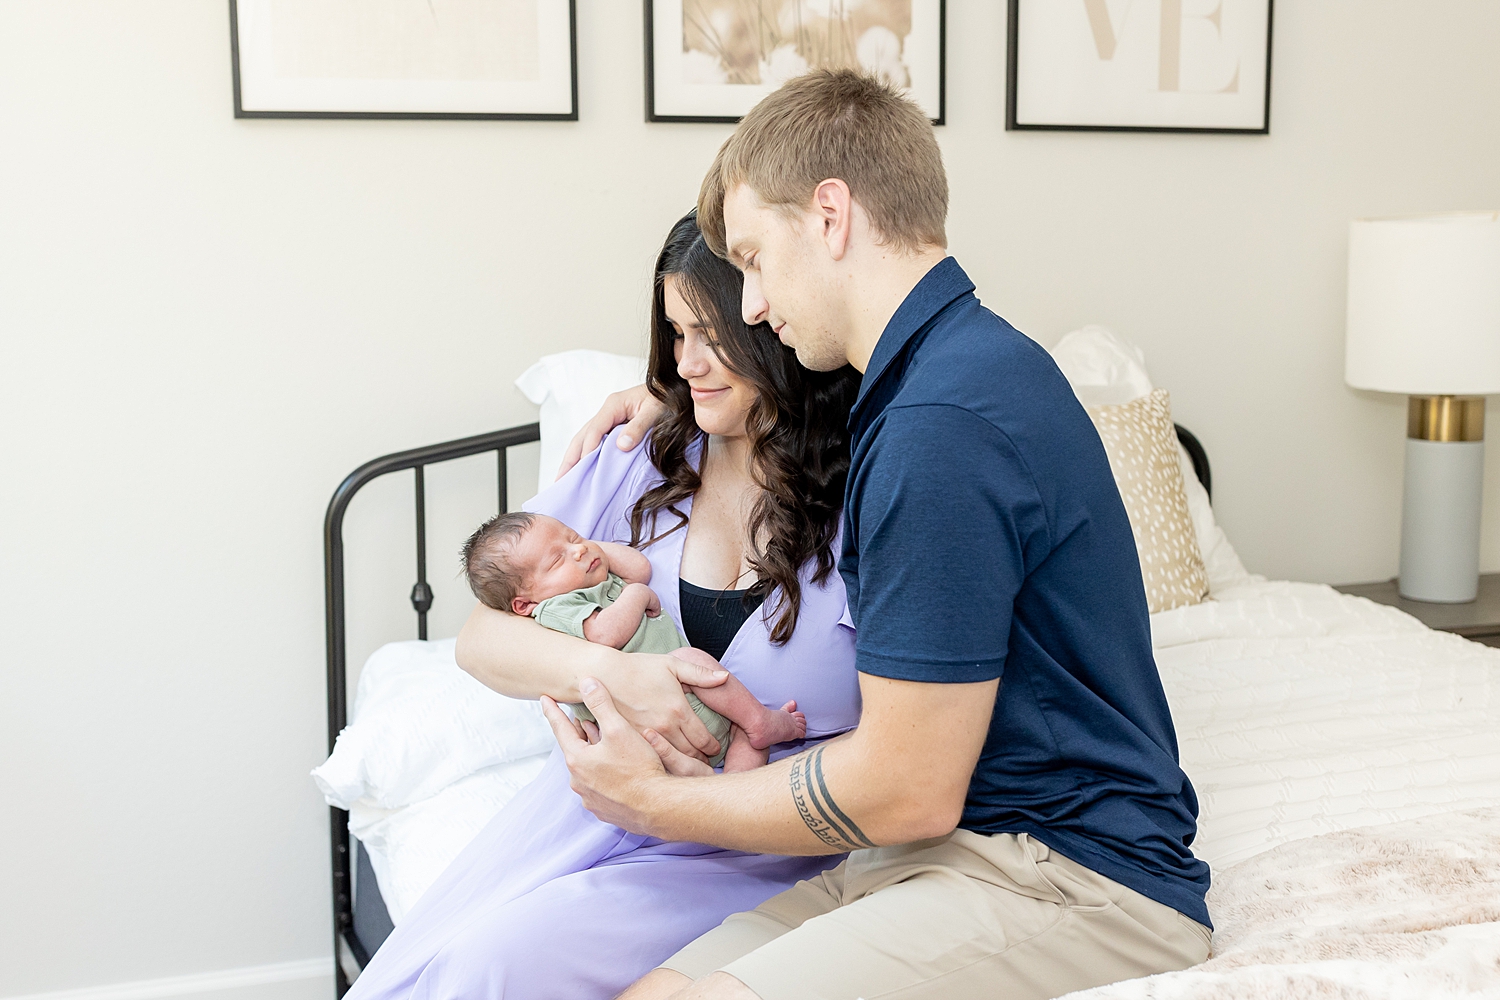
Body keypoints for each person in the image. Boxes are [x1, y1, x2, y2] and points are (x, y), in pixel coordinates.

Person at [546, 70, 1213, 1000]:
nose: (749, 305)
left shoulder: (940, 424)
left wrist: (651, 800)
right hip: (937, 850)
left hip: (1070, 875)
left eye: (752, 259)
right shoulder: (945, 369)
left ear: (830, 217)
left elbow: (909, 786)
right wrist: (671, 393)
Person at [342, 211, 862, 1000]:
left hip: (768, 837)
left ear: (773, 317)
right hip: (601, 808)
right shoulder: (643, 458)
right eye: (674, 335)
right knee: (458, 967)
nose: (688, 365)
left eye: (710, 335)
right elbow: (484, 638)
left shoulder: (873, 485)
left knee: (498, 968)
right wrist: (610, 674)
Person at [460, 510, 807, 770]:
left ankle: (736, 789)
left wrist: (586, 551)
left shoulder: (595, 578)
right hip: (650, 728)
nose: (577, 550)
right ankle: (759, 720)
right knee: (694, 660)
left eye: (573, 536)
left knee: (743, 759)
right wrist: (637, 596)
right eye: (556, 559)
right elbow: (604, 634)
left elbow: (640, 567)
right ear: (524, 604)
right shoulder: (555, 608)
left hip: (693, 708)